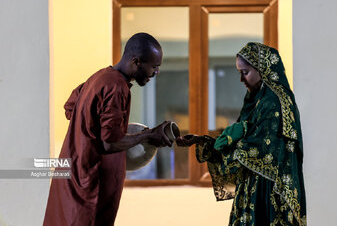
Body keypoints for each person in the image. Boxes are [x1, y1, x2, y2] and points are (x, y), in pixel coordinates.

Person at [43, 33, 172, 226]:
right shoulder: (117, 87)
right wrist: (148, 134)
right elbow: (110, 143)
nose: (156, 72)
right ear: (136, 62)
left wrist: (86, 134)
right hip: (88, 187)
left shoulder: (100, 77)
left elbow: (71, 108)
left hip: (72, 178)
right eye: (154, 67)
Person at [177, 42, 306, 226]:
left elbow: (259, 148)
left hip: (270, 192)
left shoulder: (275, 102)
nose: (241, 80)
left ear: (262, 69)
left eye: (245, 72)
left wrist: (220, 144)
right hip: (252, 186)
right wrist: (205, 141)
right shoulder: (256, 100)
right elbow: (241, 137)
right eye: (240, 73)